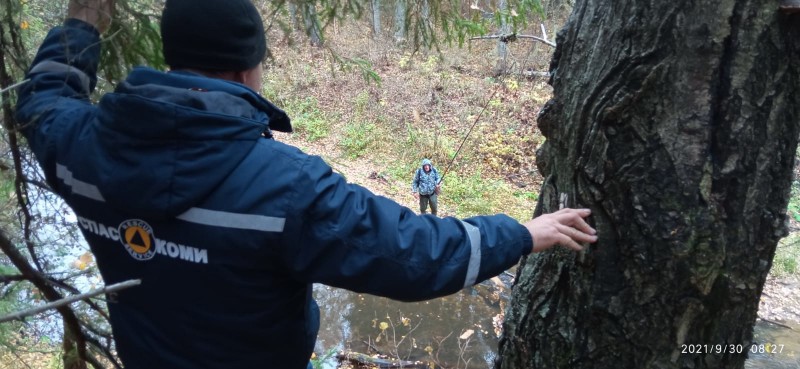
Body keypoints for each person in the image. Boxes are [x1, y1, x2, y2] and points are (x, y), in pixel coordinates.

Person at [14, 0, 598, 368]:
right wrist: (524, 233)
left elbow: (44, 97)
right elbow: (414, 257)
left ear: (170, 58)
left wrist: (81, 21)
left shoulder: (78, 150)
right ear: (249, 69)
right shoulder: (284, 187)